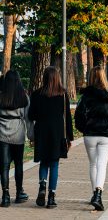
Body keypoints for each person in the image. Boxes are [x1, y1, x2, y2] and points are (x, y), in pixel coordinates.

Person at [75, 66, 108, 211]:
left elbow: (78, 115)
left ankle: (94, 194)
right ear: (104, 77)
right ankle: (98, 193)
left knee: (93, 164)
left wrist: (84, 129)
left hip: (90, 133)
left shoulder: (86, 96)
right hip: (106, 133)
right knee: (102, 164)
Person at [28, 66, 74, 208]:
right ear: (57, 78)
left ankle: (42, 185)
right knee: (54, 164)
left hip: (41, 132)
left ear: (44, 77)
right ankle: (51, 197)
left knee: (44, 162)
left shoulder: (36, 94)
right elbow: (67, 118)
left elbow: (31, 115)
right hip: (57, 133)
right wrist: (69, 138)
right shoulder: (63, 94)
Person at [0, 70, 31, 207]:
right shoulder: (24, 97)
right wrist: (31, 136)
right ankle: (19, 192)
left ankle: (5, 195)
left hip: (2, 135)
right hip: (18, 135)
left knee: (4, 165)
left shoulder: (1, 97)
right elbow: (28, 119)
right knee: (18, 164)